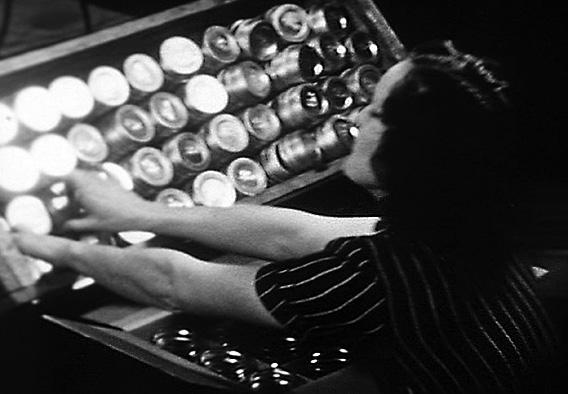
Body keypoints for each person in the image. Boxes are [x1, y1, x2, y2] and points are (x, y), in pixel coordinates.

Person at [13, 40, 558, 393]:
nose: (357, 113)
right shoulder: (463, 226)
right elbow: (292, 233)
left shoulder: (371, 279)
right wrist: (138, 211)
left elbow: (174, 285)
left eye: (374, 110)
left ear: (407, 148)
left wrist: (54, 249)